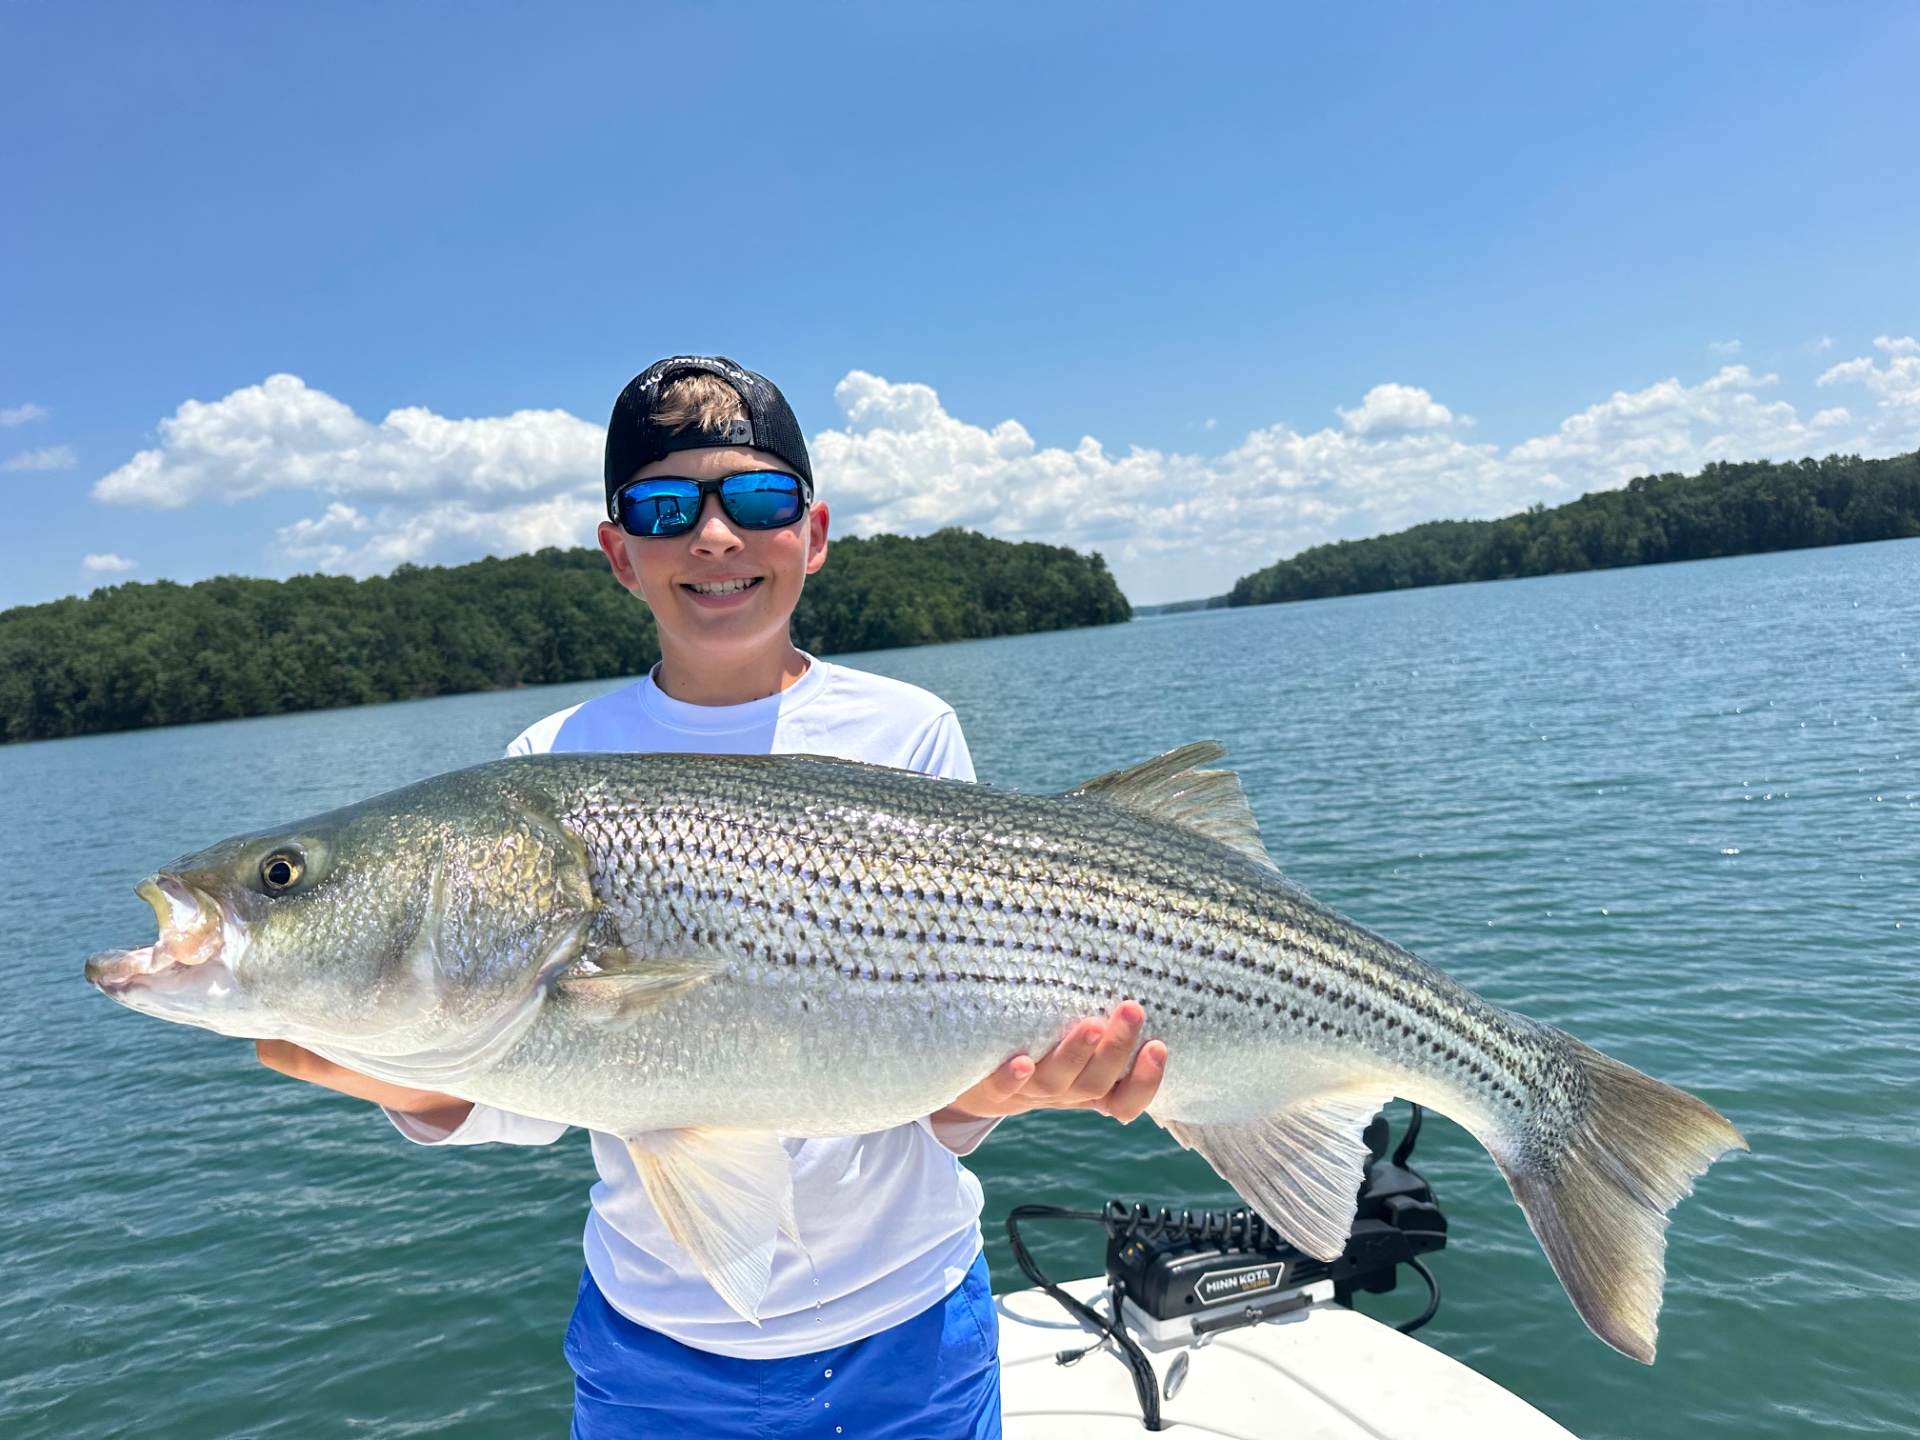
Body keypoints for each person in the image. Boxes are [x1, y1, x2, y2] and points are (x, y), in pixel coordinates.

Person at [256, 356, 1167, 1439]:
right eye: (664, 506)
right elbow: (532, 1090)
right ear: (618, 552)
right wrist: (411, 1080)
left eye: (760, 499)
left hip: (911, 1329)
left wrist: (1006, 1090)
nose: (716, 536)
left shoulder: (908, 730)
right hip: (659, 1350)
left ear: (813, 532)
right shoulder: (554, 757)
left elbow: (937, 1074)